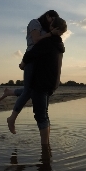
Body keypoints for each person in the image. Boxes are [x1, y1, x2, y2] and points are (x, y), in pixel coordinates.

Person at [0, 10, 60, 134]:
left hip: (41, 62)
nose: (51, 23)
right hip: (31, 59)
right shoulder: (35, 23)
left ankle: (9, 92)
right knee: (28, 91)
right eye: (51, 19)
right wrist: (50, 34)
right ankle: (12, 118)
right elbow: (36, 39)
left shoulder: (47, 29)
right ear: (47, 15)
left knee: (35, 90)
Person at [20, 17, 67, 146]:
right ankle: (46, 145)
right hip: (52, 83)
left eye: (50, 25)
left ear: (53, 28)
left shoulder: (46, 42)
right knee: (45, 114)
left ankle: (45, 147)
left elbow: (30, 54)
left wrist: (22, 64)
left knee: (40, 116)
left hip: (40, 82)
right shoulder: (60, 45)